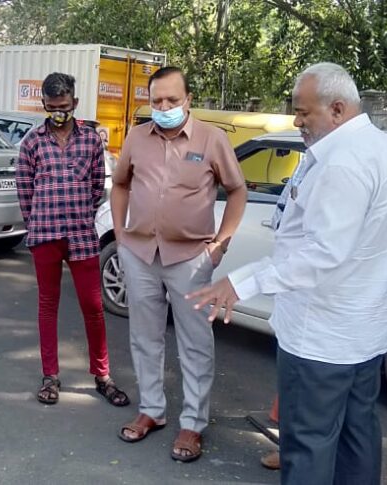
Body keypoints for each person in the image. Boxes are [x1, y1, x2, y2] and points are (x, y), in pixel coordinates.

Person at [188, 62, 387, 484]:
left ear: (338, 109)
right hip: (364, 330)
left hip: (322, 335)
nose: (296, 121)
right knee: (357, 432)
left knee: (307, 442)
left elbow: (323, 254)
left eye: (304, 112)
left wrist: (242, 281)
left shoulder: (342, 164)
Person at [111, 66, 247, 463]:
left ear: (188, 100)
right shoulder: (137, 137)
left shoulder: (212, 139)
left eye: (172, 100)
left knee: (195, 342)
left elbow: (237, 191)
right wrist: (119, 235)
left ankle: (193, 423)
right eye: (157, 101)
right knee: (144, 336)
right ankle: (151, 410)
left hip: (189, 258)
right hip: (139, 254)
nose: (165, 107)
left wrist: (221, 244)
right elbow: (120, 184)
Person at [15, 72, 130, 408]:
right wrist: (37, 223)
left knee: (93, 307)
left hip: (81, 236)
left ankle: (102, 375)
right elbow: (25, 191)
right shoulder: (33, 142)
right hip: (45, 236)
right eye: (52, 107)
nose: (58, 112)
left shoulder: (92, 141)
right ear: (44, 105)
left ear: (75, 104)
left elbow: (98, 187)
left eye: (64, 106)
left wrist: (77, 212)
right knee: (47, 307)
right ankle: (50, 376)